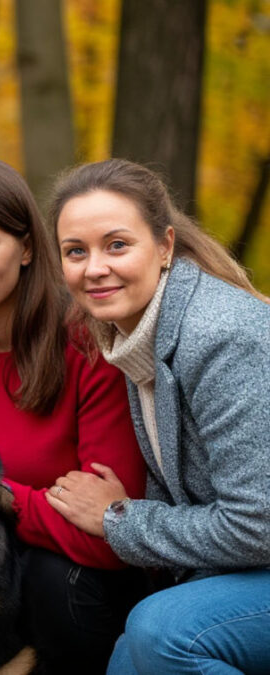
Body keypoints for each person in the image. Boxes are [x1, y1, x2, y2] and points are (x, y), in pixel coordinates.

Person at [0, 157, 148, 674]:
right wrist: (39, 503)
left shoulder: (89, 345)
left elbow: (107, 535)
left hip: (76, 597)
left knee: (46, 575)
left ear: (25, 247)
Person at [46, 158, 270, 675]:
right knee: (127, 658)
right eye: (75, 252)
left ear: (165, 245)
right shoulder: (133, 335)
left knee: (161, 632)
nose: (94, 268)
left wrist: (118, 518)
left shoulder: (221, 337)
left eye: (116, 245)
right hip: (241, 574)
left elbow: (257, 525)